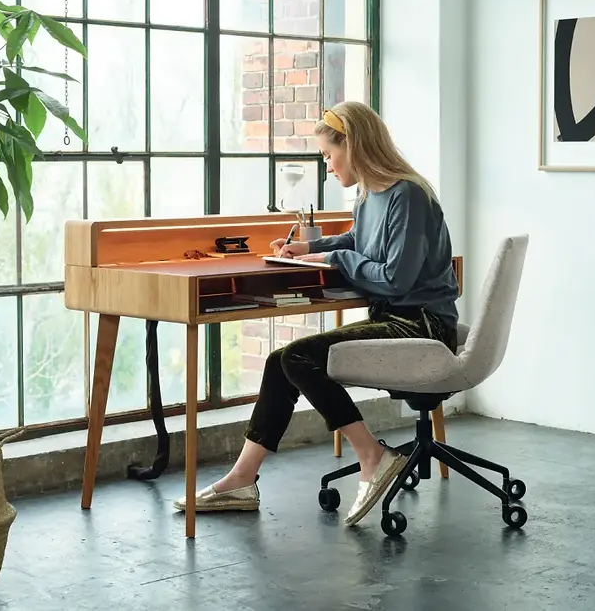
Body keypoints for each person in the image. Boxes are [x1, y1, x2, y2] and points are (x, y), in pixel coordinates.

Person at [174, 100, 460, 527]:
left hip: (423, 325)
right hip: (395, 319)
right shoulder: (370, 196)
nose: (327, 166)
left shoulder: (409, 197)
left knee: (299, 357)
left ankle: (372, 455)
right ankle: (241, 478)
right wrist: (310, 249)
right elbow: (358, 240)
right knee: (280, 361)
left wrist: (339, 261)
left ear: (356, 146)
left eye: (329, 154)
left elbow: (396, 280)